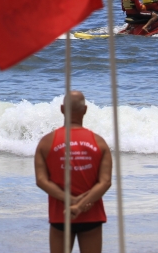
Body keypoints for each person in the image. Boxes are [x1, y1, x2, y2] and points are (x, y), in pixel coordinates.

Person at [34, 91, 112, 253]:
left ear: (62, 109)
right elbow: (105, 182)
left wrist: (70, 200)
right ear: (85, 110)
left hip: (60, 215)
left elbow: (41, 180)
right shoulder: (99, 142)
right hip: (91, 215)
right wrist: (81, 204)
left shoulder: (46, 142)